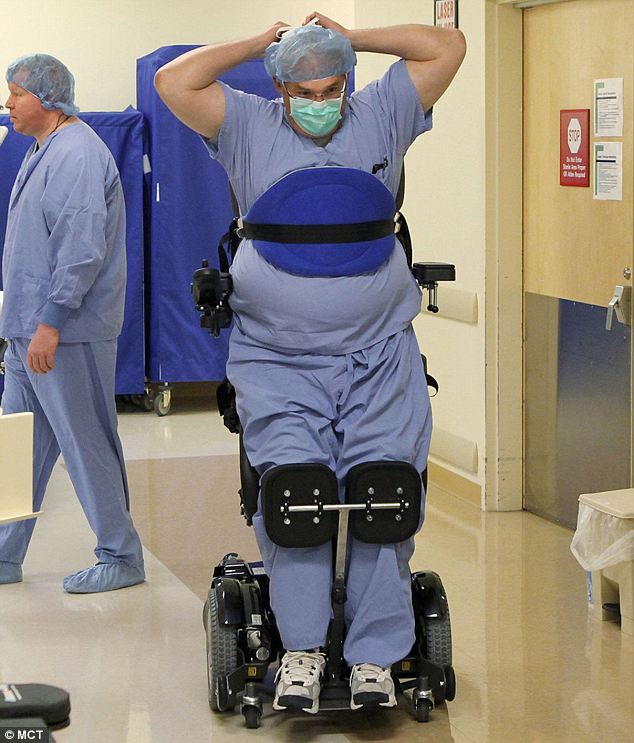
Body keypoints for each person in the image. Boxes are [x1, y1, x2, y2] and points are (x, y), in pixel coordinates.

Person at [155, 11, 465, 713]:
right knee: (297, 496)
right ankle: (301, 648)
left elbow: (448, 44)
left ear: (349, 83)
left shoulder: (383, 112)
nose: (321, 102)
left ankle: (376, 657)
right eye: (305, 91)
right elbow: (174, 80)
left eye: (332, 87)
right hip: (278, 359)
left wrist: (350, 38)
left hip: (379, 355)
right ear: (280, 90)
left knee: (385, 496)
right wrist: (262, 44)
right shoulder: (245, 123)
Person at [0, 54, 145, 593]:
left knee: (86, 442)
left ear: (48, 99)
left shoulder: (79, 153)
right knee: (17, 446)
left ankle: (122, 555)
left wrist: (51, 321)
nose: (8, 102)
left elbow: (81, 250)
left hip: (65, 331)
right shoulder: (43, 149)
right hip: (27, 331)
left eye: (16, 92)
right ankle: (4, 555)